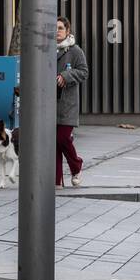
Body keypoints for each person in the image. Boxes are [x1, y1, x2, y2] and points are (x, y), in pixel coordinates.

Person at [55, 16, 89, 188]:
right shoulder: (46, 49)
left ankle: (76, 166)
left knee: (62, 139)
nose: (57, 31)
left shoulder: (75, 51)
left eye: (60, 28)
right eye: (54, 28)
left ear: (68, 31)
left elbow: (84, 72)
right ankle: (56, 180)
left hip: (67, 105)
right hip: (49, 106)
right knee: (53, 143)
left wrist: (66, 76)